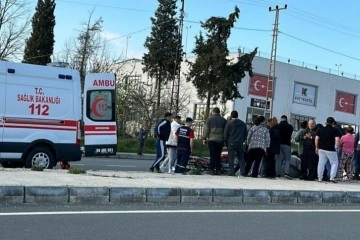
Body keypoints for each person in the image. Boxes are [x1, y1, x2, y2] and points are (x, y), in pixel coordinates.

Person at [315, 117, 341, 183]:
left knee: (321, 163)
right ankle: (332, 177)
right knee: (334, 163)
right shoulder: (335, 130)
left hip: (321, 148)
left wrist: (316, 147)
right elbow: (337, 140)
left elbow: (316, 138)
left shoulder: (320, 129)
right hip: (331, 149)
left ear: (326, 122)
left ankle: (319, 178)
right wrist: (337, 147)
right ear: (333, 122)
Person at [203, 107, 227, 175]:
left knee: (212, 155)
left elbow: (206, 130)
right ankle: (218, 170)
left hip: (212, 140)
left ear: (213, 112)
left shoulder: (209, 119)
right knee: (218, 156)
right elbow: (225, 131)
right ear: (219, 112)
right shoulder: (224, 120)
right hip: (220, 140)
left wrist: (204, 138)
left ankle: (211, 170)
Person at [223, 110, 248, 176]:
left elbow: (225, 134)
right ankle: (242, 172)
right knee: (241, 157)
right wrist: (243, 140)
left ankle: (232, 171)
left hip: (231, 142)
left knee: (231, 158)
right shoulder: (242, 123)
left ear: (231, 115)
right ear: (237, 116)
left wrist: (226, 141)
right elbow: (246, 133)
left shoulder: (229, 123)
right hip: (240, 143)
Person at [275, 115, 294, 179]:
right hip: (287, 144)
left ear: (281, 119)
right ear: (286, 119)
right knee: (287, 159)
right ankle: (286, 173)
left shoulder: (277, 126)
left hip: (278, 144)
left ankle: (277, 173)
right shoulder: (290, 127)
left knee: (278, 159)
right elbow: (290, 134)